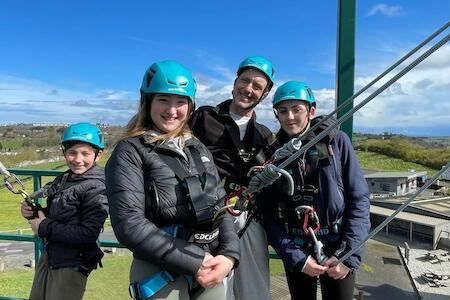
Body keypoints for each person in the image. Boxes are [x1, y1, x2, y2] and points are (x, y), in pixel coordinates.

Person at [105, 60, 239, 300]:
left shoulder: (198, 149)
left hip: (209, 266)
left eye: (181, 102)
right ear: (148, 102)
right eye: (163, 100)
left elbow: (221, 206)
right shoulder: (131, 151)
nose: (172, 110)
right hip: (159, 269)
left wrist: (229, 256)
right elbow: (129, 224)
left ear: (190, 106)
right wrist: (195, 260)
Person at [261, 81, 370, 300]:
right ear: (276, 114)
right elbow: (269, 215)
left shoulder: (336, 142)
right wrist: (297, 258)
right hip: (297, 246)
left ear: (311, 111)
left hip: (337, 245)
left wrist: (348, 256)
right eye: (283, 110)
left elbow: (358, 199)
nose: (290, 116)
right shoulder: (273, 155)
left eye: (296, 109)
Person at [189, 55, 275, 300]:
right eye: (245, 81)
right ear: (235, 81)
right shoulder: (204, 118)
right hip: (208, 212)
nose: (248, 89)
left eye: (257, 86)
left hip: (248, 215)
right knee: (211, 284)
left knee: (254, 287)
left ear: (265, 95)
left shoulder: (264, 135)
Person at [21, 122, 108, 300]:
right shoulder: (65, 179)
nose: (77, 159)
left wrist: (44, 226)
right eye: (72, 152)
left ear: (98, 155)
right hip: (51, 256)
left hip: (72, 263)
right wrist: (35, 212)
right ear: (64, 153)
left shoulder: (97, 188)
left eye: (85, 153)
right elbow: (60, 213)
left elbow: (87, 234)